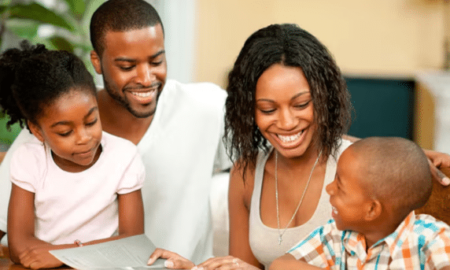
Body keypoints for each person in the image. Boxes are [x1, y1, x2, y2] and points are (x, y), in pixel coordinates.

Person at [193, 24, 450, 270]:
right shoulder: (245, 174)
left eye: (301, 104)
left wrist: (413, 158)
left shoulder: (367, 167)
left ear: (323, 96)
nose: (286, 123)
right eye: (268, 109)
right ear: (249, 110)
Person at [0, 0, 230, 266]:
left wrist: (242, 259)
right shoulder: (47, 128)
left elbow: (264, 167)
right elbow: (12, 235)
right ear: (96, 61)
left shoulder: (207, 107)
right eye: (127, 66)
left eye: (156, 60)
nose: (146, 78)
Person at [0, 42, 145, 269]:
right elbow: (20, 248)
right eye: (65, 132)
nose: (84, 138)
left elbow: (133, 242)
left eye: (91, 121)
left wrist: (61, 255)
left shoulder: (124, 156)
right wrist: (90, 252)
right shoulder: (28, 159)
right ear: (38, 131)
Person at [271, 137, 450, 270]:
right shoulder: (334, 234)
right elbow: (280, 265)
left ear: (372, 210)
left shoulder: (432, 238)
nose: (329, 188)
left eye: (339, 186)